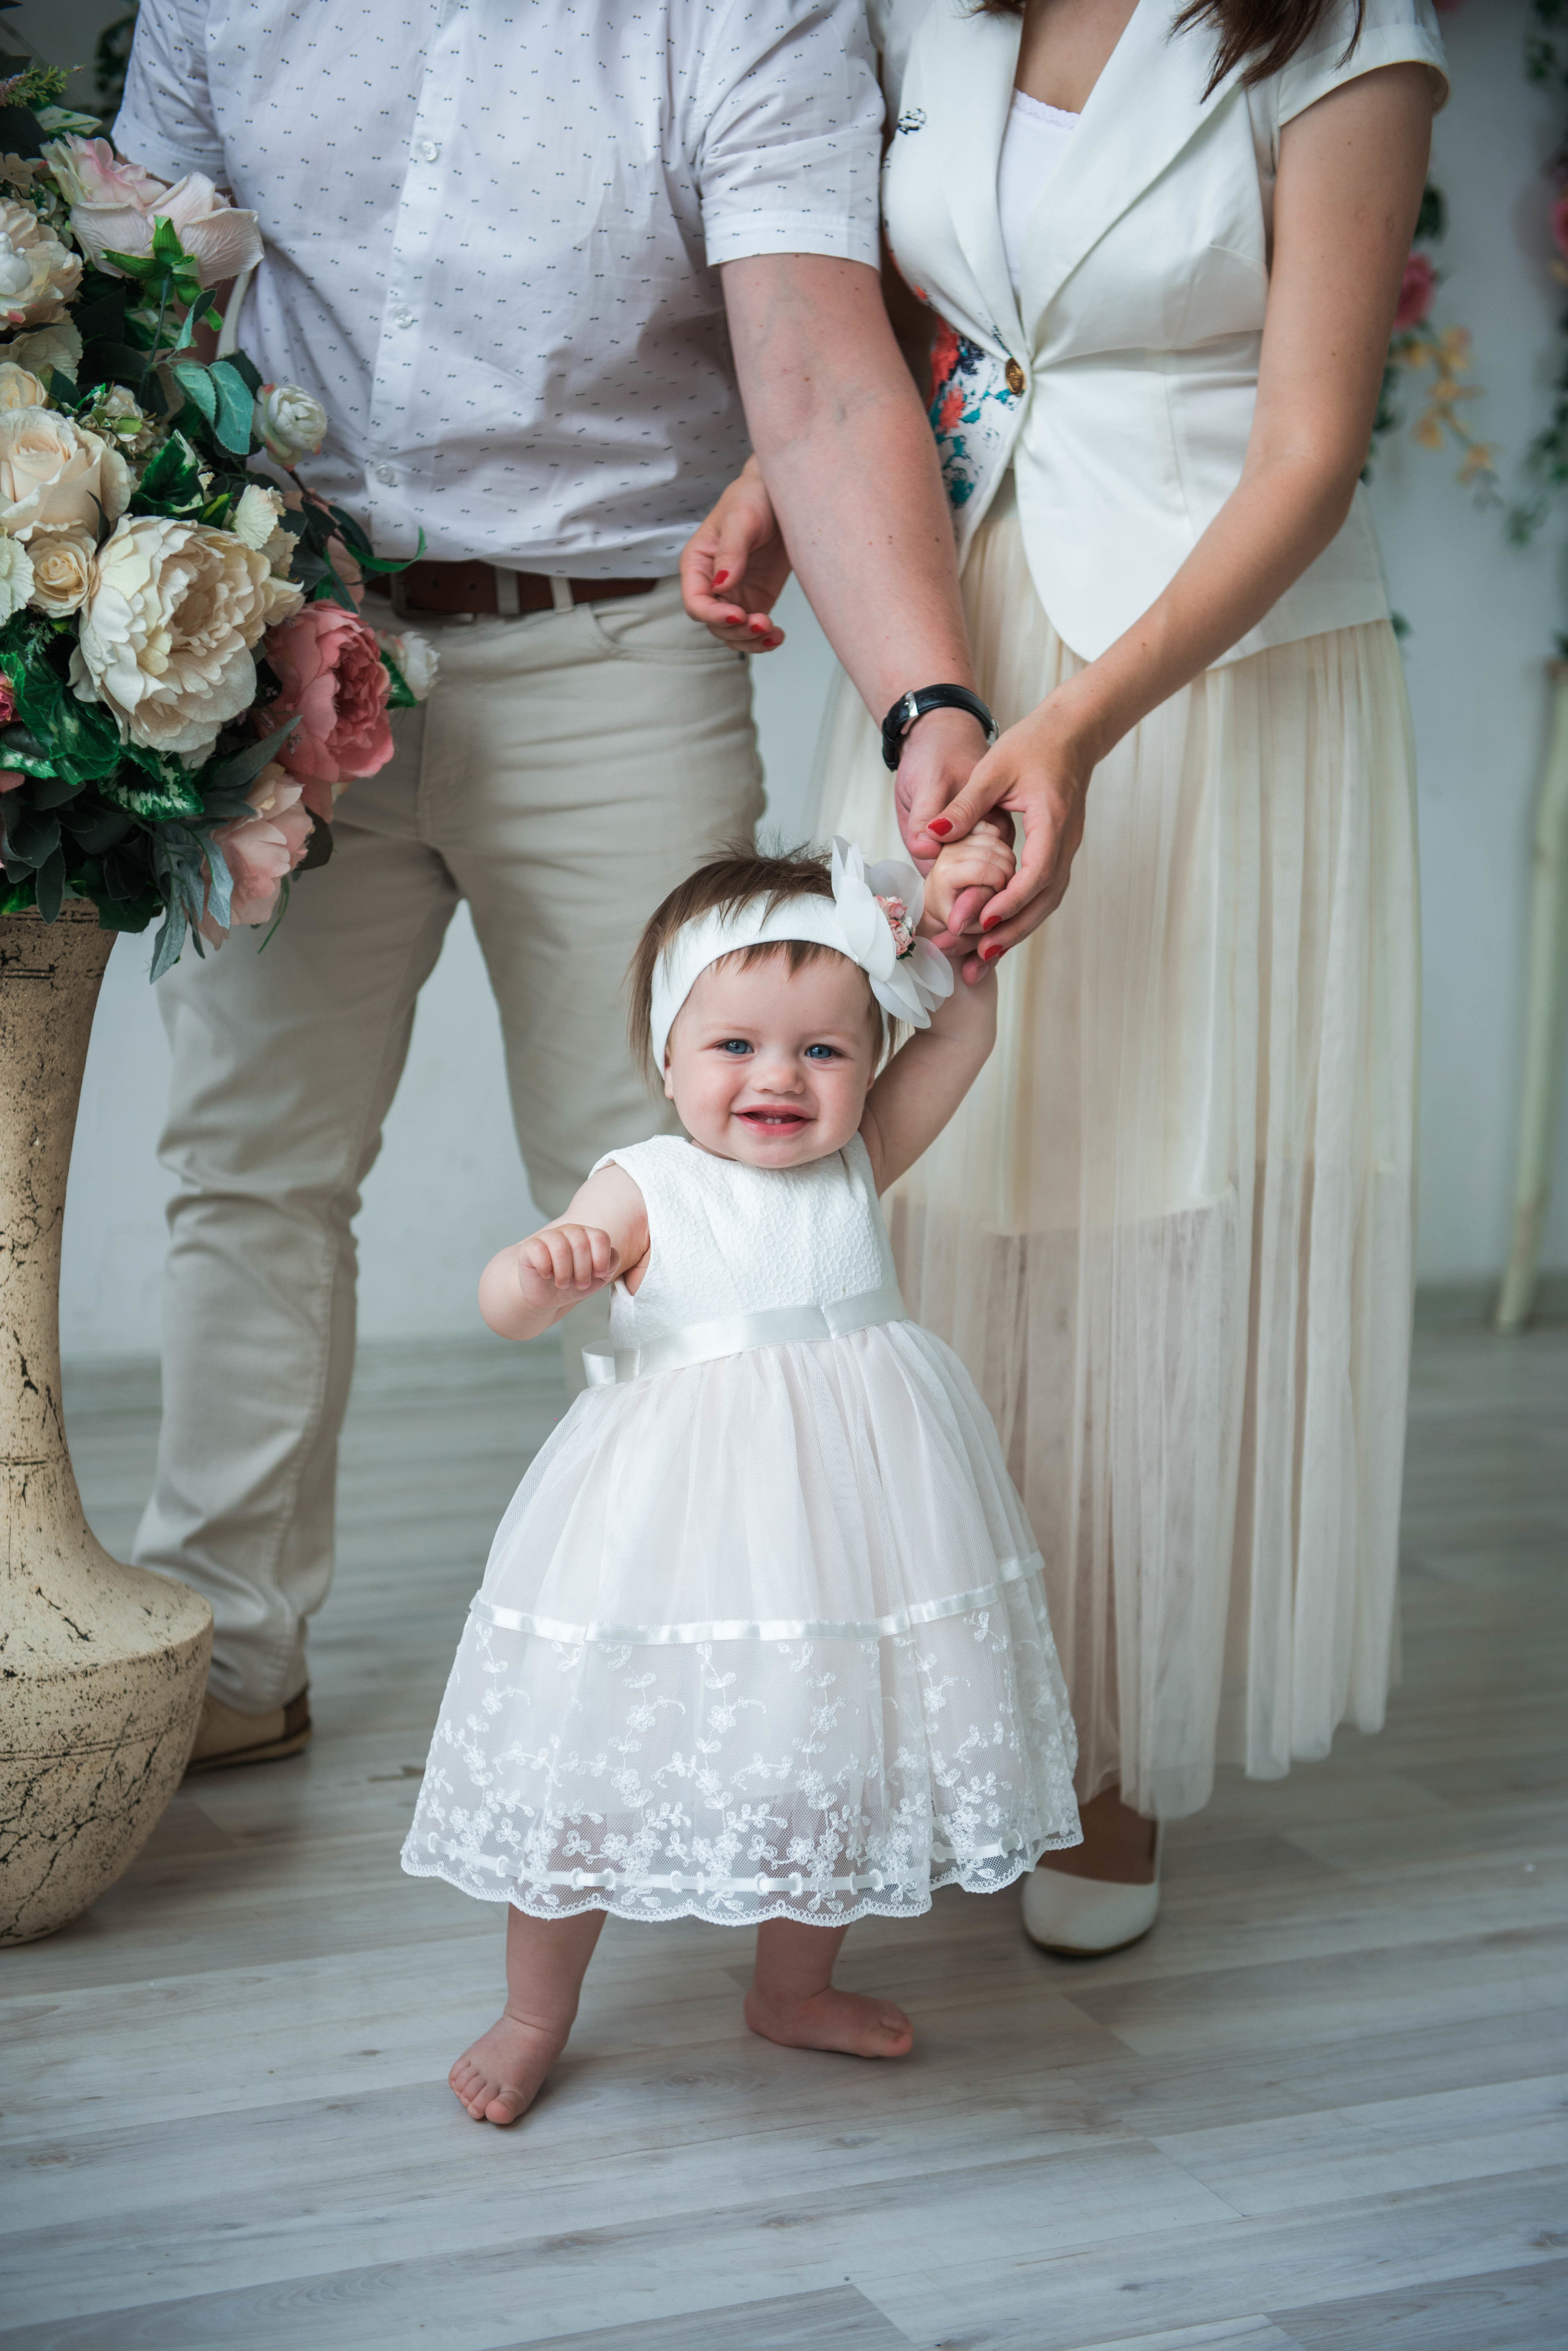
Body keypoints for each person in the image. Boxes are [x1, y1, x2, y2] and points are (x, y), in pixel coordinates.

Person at [112, 0, 1001, 1769]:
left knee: (687, 1199)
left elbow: (822, 374)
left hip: (610, 648)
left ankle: (692, 1674)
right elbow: (145, 288)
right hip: (280, 625)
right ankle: (226, 1655)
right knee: (248, 1165)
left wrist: (934, 703)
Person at [683, 0, 1447, 1951]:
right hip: (951, 630)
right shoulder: (933, 9)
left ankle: (1105, 1748)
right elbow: (962, 329)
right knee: (929, 1180)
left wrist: (1084, 732)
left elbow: (1311, 450)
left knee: (1129, 1185)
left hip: (1205, 683)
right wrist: (805, 479)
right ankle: (925, 1688)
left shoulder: (1349, 34)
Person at [401, 834, 1080, 2124]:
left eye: (823, 1050)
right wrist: (536, 1275)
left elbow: (960, 1044)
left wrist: (965, 968)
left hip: (851, 1526)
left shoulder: (855, 1161)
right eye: (734, 1046)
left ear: (869, 1060)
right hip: (673, 1530)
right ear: (666, 1055)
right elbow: (505, 1300)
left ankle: (790, 1989)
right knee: (589, 1768)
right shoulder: (646, 1182)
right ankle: (535, 2008)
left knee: (820, 1759)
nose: (778, 1076)